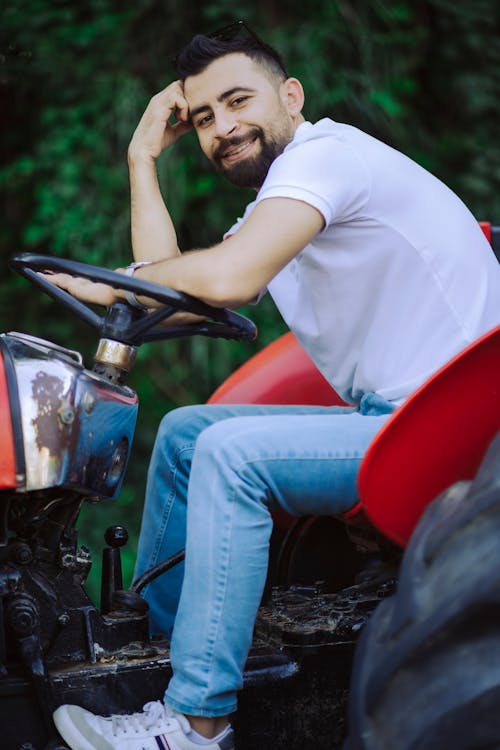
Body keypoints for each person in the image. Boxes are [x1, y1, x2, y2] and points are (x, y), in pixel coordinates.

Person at [50, 22, 500, 750]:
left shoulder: (327, 157)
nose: (223, 128)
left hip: (457, 428)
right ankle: (160, 668)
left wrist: (115, 287)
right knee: (189, 432)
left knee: (234, 454)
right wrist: (141, 159)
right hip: (400, 418)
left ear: (291, 95)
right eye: (202, 118)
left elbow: (225, 278)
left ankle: (197, 725)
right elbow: (172, 289)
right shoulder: (282, 208)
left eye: (237, 101)